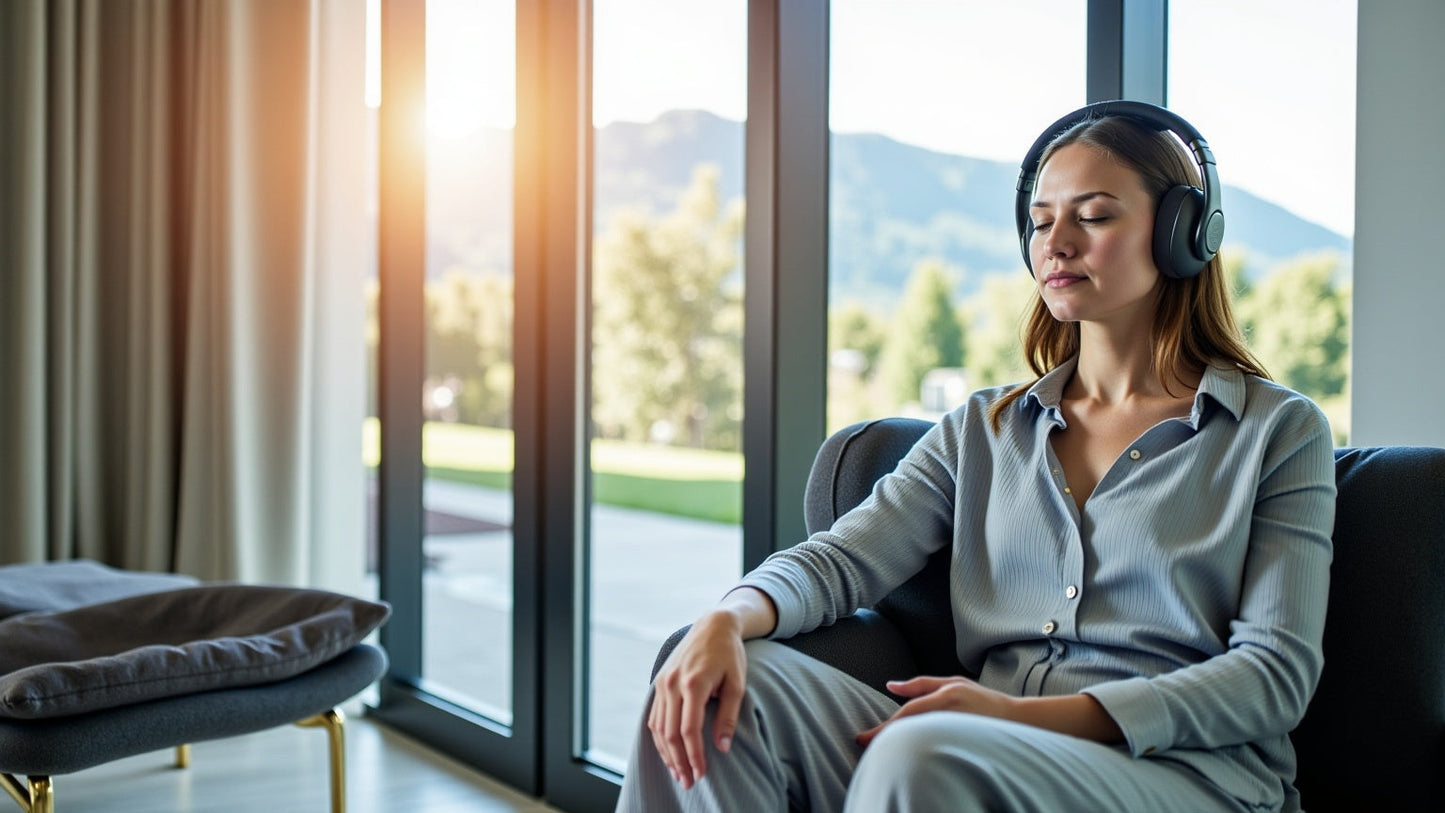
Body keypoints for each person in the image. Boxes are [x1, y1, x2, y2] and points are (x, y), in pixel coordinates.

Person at [615, 101, 1336, 812]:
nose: (1056, 243)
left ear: (1183, 232)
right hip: (972, 752)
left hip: (1183, 777)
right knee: (714, 686)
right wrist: (726, 618)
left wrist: (1016, 717)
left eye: (1092, 216)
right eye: (1041, 221)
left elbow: (1272, 675)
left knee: (922, 751)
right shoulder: (982, 429)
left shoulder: (1277, 431)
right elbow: (840, 559)